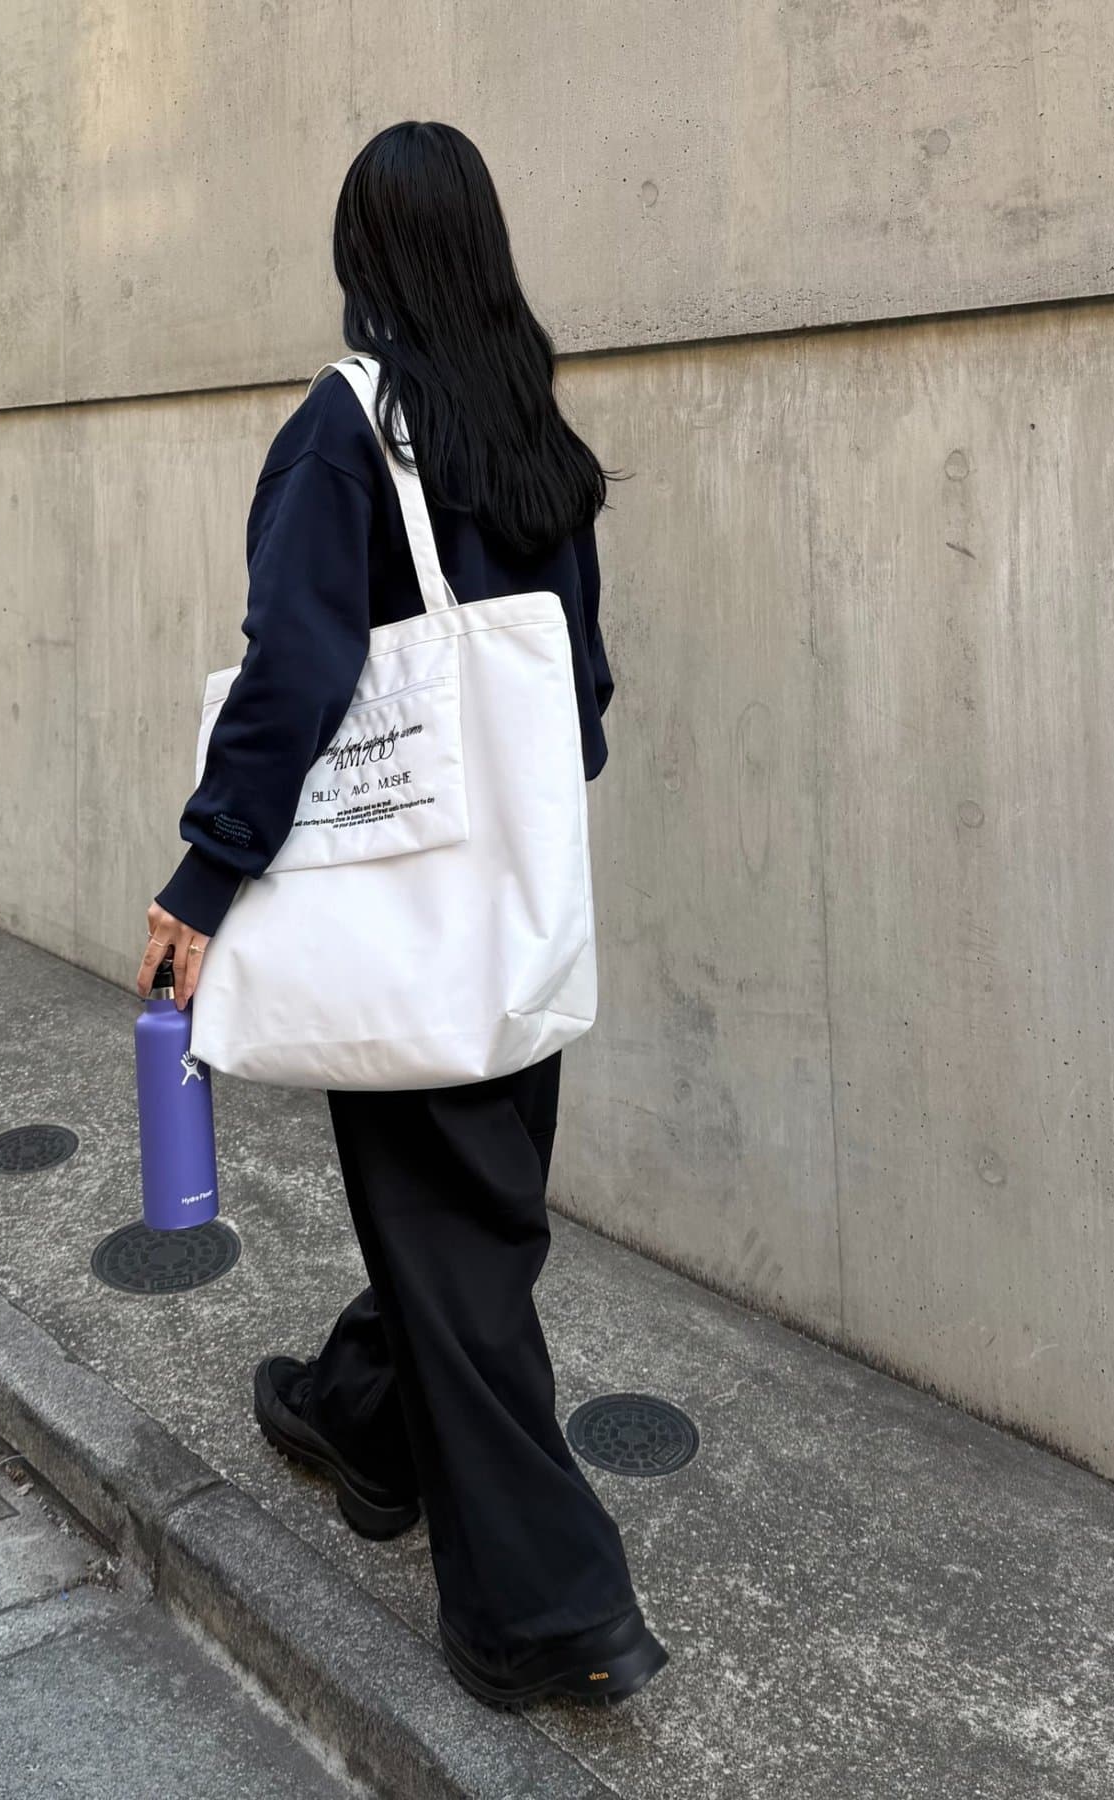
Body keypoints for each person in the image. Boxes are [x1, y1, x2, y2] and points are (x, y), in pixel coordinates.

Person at [137, 120, 667, 1711]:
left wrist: (204, 877)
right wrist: (529, 824)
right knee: (473, 1221)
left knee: (461, 1241)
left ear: (362, 253)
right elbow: (578, 678)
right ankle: (360, 1418)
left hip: (406, 905)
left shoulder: (346, 430)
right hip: (517, 896)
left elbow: (296, 669)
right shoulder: (525, 420)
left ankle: (546, 1612)